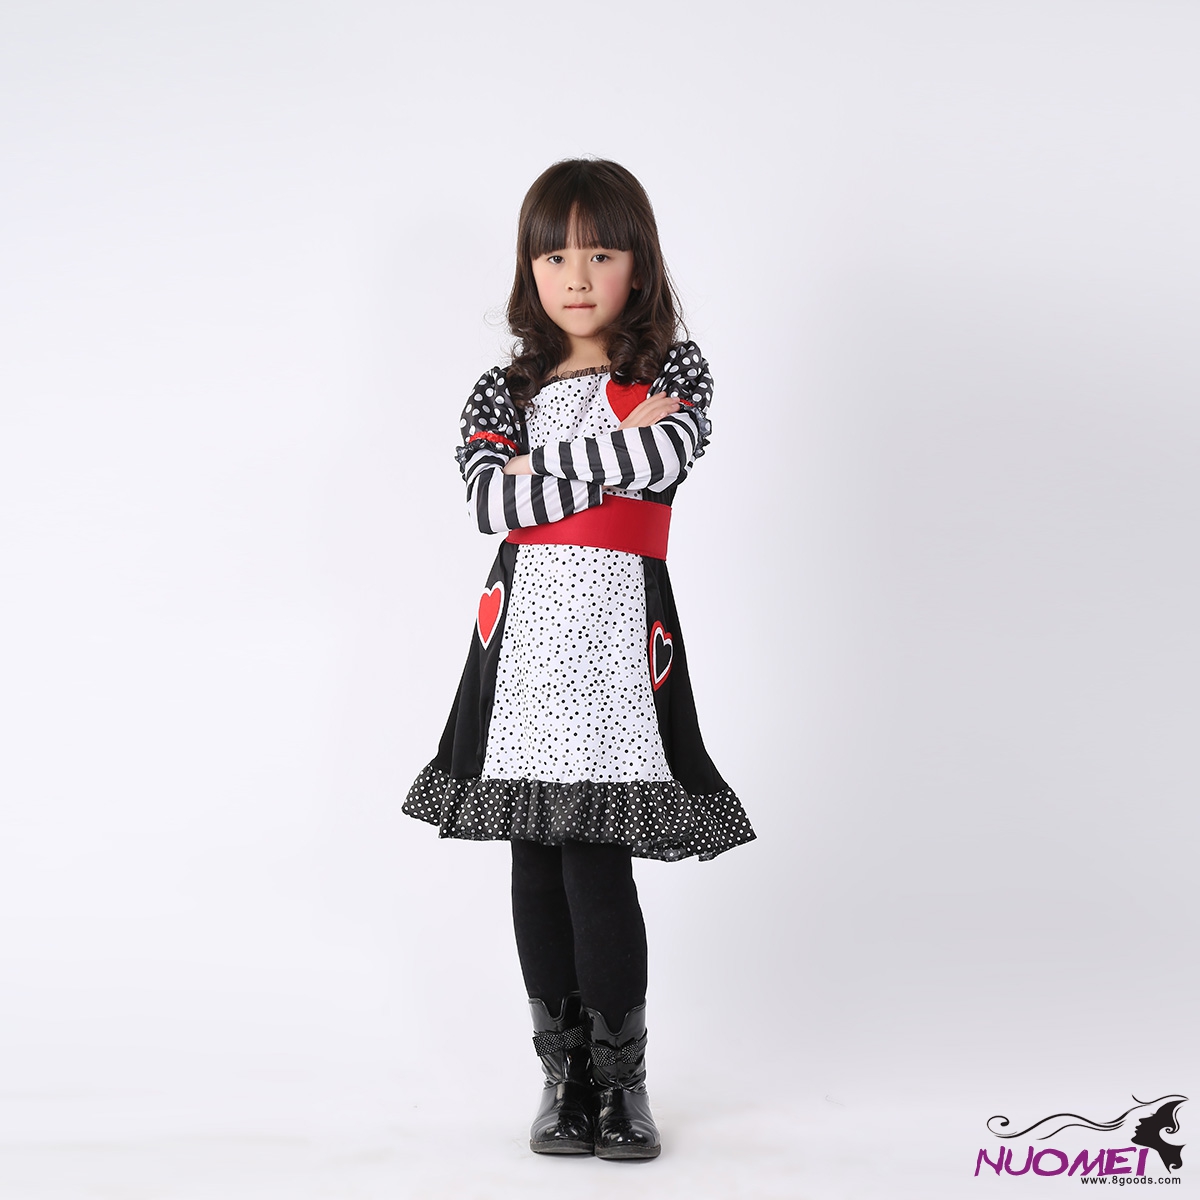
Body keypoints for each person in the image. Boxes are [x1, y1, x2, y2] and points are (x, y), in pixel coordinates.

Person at [403, 158, 756, 1161]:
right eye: (554, 257)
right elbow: (490, 503)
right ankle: (562, 1079)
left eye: (599, 254)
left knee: (597, 863)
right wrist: (588, 465)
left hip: (614, 645)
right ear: (529, 268)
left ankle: (621, 1082)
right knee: (534, 858)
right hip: (523, 645)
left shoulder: (672, 374)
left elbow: (661, 459)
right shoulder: (504, 387)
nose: (577, 276)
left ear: (637, 263)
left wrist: (538, 466)